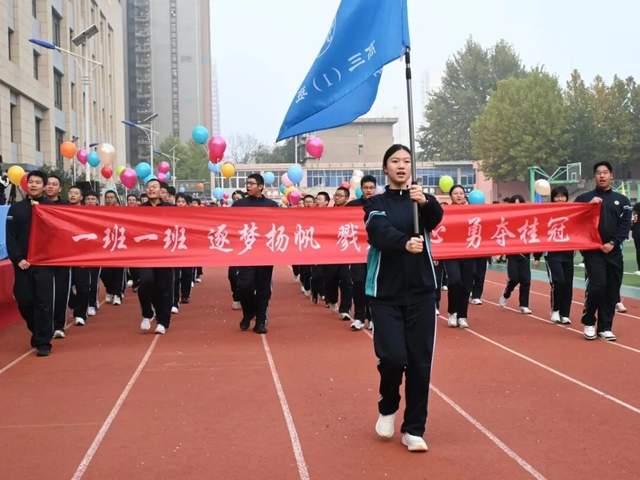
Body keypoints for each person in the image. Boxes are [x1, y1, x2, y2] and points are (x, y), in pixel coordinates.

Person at [366, 144, 443, 452]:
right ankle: (388, 404)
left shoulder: (421, 199)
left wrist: (424, 201)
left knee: (420, 363)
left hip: (422, 291)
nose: (401, 166)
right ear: (385, 168)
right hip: (385, 293)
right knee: (393, 358)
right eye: (395, 161)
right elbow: (377, 232)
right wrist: (403, 243)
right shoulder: (376, 203)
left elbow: (436, 218)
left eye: (407, 161)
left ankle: (414, 428)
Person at [575, 161, 631, 341]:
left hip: (613, 251)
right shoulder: (584, 198)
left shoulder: (623, 200)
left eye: (605, 172)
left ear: (611, 175)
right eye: (599, 173)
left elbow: (625, 225)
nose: (602, 175)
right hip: (593, 251)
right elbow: (574, 221)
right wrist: (588, 207)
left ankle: (605, 327)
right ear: (594, 177)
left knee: (612, 289)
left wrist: (613, 243)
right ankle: (589, 321)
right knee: (598, 285)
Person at [6, 170, 55, 356]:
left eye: (37, 182)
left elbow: (57, 234)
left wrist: (41, 211)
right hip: (23, 264)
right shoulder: (16, 208)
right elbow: (10, 236)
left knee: (44, 302)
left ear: (44, 186)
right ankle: (37, 330)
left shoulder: (51, 208)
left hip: (44, 263)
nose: (33, 185)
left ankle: (43, 342)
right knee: (24, 300)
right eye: (31, 182)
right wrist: (18, 259)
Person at [232, 173, 278, 334]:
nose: (248, 186)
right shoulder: (238, 205)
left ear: (260, 186)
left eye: (251, 183)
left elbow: (280, 226)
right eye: (247, 183)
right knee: (244, 286)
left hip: (265, 252)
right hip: (245, 252)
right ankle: (248, 312)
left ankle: (260, 320)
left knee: (263, 288)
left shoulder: (272, 205)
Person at [137, 179, 175, 334]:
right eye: (149, 187)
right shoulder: (139, 210)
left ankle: (163, 322)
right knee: (145, 282)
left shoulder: (170, 209)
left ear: (161, 191)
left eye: (154, 187)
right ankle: (147, 313)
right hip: (145, 253)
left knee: (163, 287)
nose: (151, 189)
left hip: (165, 253)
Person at [535, 186, 574, 325]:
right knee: (559, 281)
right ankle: (555, 310)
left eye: (563, 196)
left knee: (568, 284)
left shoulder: (572, 212)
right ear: (553, 198)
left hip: (568, 254)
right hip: (552, 254)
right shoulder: (547, 212)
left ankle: (565, 314)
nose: (560, 199)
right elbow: (541, 233)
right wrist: (537, 256)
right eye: (557, 196)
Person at [346, 175, 377, 331]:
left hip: (375, 251)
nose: (369, 191)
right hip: (356, 252)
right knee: (358, 283)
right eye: (366, 188)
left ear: (375, 189)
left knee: (372, 285)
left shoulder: (381, 204)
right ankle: (359, 317)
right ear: (361, 189)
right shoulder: (352, 206)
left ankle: (372, 318)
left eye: (371, 188)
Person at [45, 174, 72, 338]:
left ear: (60, 188)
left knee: (62, 290)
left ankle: (59, 325)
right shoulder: (37, 205)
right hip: (43, 256)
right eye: (48, 184)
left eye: (54, 184)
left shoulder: (67, 207)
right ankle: (45, 324)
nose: (50, 187)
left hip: (62, 255)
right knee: (44, 293)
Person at [444, 185, 474, 329]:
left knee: (466, 285)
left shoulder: (472, 211)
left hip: (468, 252)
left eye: (461, 193)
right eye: (455, 193)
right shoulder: (445, 211)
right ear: (451, 196)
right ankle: (452, 312)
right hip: (451, 253)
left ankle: (462, 316)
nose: (459, 196)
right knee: (455, 281)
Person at [499, 194, 533, 314]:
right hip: (512, 253)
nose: (517, 206)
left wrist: (537, 255)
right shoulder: (507, 218)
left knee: (526, 280)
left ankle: (524, 305)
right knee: (514, 278)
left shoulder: (527, 218)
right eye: (514, 204)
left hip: (525, 254)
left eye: (520, 204)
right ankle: (506, 293)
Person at [323, 186, 354, 320]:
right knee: (330, 279)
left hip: (347, 252)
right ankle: (332, 299)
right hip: (331, 252)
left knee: (346, 281)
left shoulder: (351, 213)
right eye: (336, 195)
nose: (337, 197)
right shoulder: (328, 213)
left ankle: (345, 309)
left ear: (346, 198)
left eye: (340, 195)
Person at [66, 186, 91, 327]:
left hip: (83, 254)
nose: (72, 195)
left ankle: (80, 314)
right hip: (65, 254)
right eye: (70, 193)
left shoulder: (87, 213)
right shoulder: (61, 210)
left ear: (81, 197)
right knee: (66, 285)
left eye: (76, 193)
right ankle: (73, 303)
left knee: (83, 285)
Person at [100, 190, 125, 306]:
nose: (109, 199)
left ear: (116, 198)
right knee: (104, 272)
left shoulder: (122, 211)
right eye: (108, 197)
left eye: (112, 197)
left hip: (119, 244)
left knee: (118, 271)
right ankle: (109, 289)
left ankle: (117, 294)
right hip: (105, 245)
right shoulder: (101, 211)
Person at [172, 193, 194, 310]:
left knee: (187, 273)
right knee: (175, 275)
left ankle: (185, 294)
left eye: (182, 201)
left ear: (187, 203)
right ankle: (175, 300)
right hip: (175, 248)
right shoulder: (171, 214)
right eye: (178, 201)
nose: (180, 203)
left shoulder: (191, 215)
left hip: (187, 248)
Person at [83, 191, 102, 319]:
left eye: (93, 199)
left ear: (97, 201)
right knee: (83, 280)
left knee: (94, 279)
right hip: (82, 251)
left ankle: (91, 303)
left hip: (97, 252)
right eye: (88, 199)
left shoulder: (101, 214)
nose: (90, 201)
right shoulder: (78, 213)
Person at [633, 203, 640, 275]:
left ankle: (639, 269)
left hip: (637, 231)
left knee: (638, 250)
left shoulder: (637, 205)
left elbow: (634, 220)